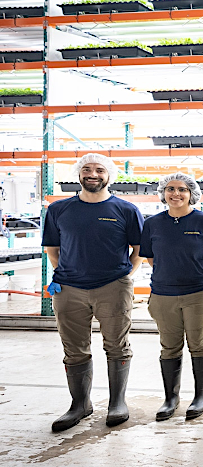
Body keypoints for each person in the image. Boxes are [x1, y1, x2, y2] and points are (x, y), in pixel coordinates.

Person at [42, 153, 144, 431]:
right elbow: (53, 249)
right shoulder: (59, 210)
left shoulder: (126, 210)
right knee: (74, 349)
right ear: (79, 174)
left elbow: (139, 250)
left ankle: (117, 403)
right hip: (68, 288)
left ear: (109, 175)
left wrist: (125, 277)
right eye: (86, 169)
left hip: (113, 287)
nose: (93, 174)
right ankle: (80, 405)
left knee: (117, 345)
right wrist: (70, 273)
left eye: (100, 169)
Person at [140, 173, 203, 421]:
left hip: (199, 292)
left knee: (199, 343)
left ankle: (200, 397)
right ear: (163, 193)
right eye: (170, 189)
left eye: (182, 189)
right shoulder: (152, 224)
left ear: (192, 194)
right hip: (163, 293)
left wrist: (201, 274)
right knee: (169, 346)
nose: (175, 194)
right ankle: (171, 398)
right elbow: (150, 257)